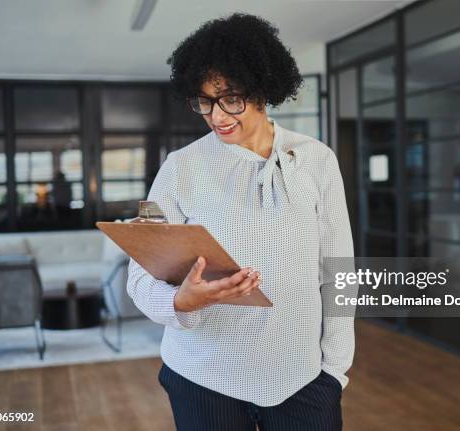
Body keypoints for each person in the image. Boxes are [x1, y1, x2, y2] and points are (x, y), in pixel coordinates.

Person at [126, 13, 355, 431]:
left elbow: (338, 272)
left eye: (230, 97)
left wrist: (334, 372)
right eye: (205, 101)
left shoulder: (316, 160)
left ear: (263, 89)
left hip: (303, 379)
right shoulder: (180, 169)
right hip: (202, 377)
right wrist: (182, 301)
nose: (217, 116)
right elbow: (139, 277)